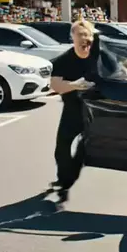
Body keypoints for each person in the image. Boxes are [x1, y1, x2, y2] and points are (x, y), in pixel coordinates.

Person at [48, 20, 103, 203]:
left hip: (95, 110)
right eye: (80, 34)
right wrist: (75, 85)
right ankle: (64, 180)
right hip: (73, 109)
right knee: (61, 148)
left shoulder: (98, 56)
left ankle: (70, 177)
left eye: (87, 35)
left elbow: (118, 71)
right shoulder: (64, 60)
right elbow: (56, 85)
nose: (84, 38)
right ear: (72, 37)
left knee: (86, 146)